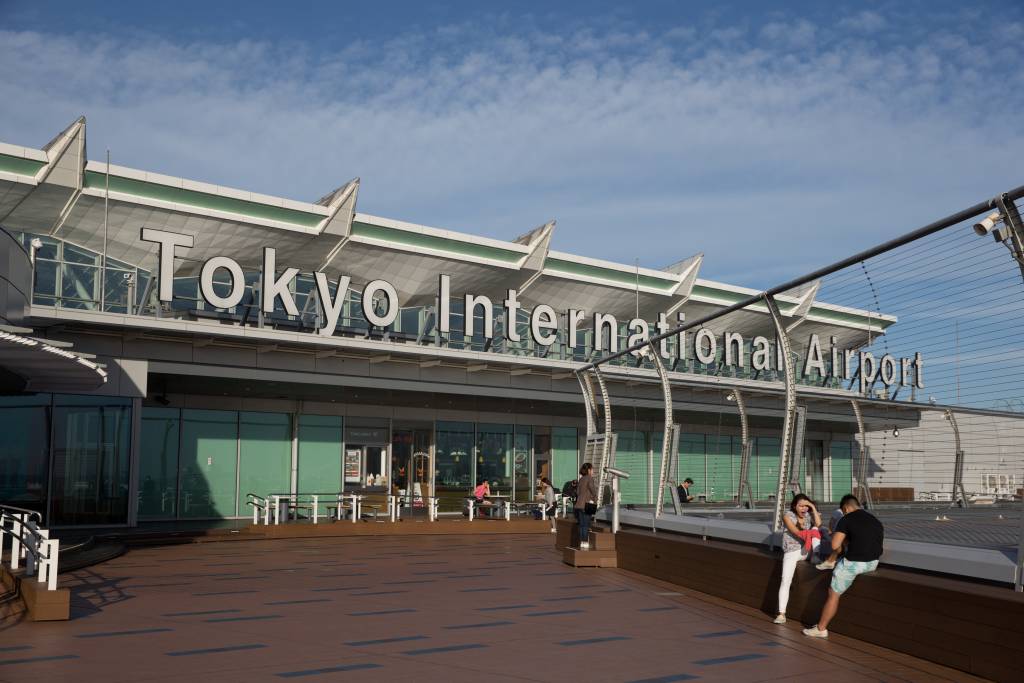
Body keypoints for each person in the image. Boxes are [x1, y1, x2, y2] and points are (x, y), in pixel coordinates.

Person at [803, 494, 884, 639]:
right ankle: (830, 562)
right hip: (873, 562)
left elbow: (835, 545)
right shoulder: (874, 520)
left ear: (846, 508)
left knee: (833, 593)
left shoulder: (845, 519)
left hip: (854, 564)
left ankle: (821, 628)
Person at [774, 493, 822, 625]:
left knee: (815, 529)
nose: (804, 508)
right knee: (785, 580)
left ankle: (816, 556)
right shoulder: (787, 515)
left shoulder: (808, 515)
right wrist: (812, 532)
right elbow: (796, 532)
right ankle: (781, 613)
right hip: (792, 552)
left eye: (806, 506)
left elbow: (818, 523)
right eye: (801, 506)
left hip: (806, 550)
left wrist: (812, 506)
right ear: (795, 506)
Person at [574, 463, 599, 550]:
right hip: (587, 504)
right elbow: (593, 490)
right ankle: (585, 542)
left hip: (579, 505)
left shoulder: (581, 479)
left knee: (581, 525)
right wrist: (595, 498)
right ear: (588, 470)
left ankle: (582, 542)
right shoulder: (589, 478)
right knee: (586, 525)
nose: (592, 471)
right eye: (592, 469)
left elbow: (577, 492)